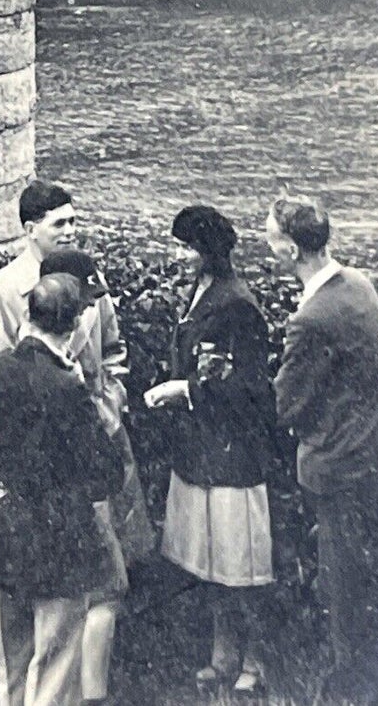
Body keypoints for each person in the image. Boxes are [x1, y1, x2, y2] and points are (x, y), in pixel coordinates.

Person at [267, 194, 378, 698]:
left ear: (290, 251)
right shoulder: (358, 285)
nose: (266, 245)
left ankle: (351, 684)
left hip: (340, 466)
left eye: (271, 237)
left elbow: (286, 403)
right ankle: (373, 671)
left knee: (343, 582)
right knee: (367, 572)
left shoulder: (311, 318)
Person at [0, 274, 126, 706]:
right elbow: (105, 472)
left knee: (12, 665)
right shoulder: (66, 388)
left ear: (29, 315)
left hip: (4, 533)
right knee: (55, 668)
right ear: (75, 325)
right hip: (60, 542)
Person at [145, 205, 278, 693]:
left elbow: (251, 390)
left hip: (231, 458)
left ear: (205, 253)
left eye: (183, 247)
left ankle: (255, 661)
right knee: (214, 564)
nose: (175, 255)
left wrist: (185, 391)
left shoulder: (237, 305)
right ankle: (224, 656)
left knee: (240, 566)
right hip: (201, 452)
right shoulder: (199, 293)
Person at [37, 249, 154, 705]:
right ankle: (85, 692)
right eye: (83, 301)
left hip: (105, 439)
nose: (90, 306)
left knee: (111, 570)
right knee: (96, 580)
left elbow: (115, 352)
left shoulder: (93, 302)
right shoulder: (32, 320)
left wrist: (113, 399)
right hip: (68, 468)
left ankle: (90, 689)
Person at [0, 181, 78, 372]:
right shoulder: (1, 291)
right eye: (59, 224)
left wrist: (110, 398)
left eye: (72, 221)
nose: (70, 232)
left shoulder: (89, 277)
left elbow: (112, 351)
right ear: (31, 230)